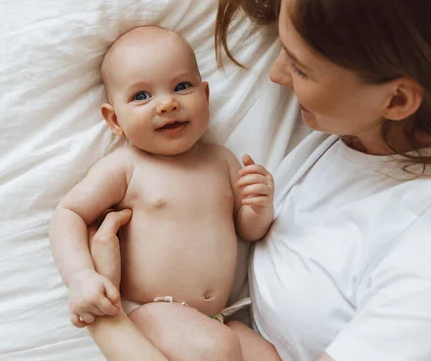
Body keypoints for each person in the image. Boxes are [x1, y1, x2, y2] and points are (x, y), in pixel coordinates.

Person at [84, 0, 431, 360]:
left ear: (396, 100)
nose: (276, 75)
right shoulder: (347, 136)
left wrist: (110, 321)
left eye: (301, 68)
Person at [49, 26, 280, 360]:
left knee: (266, 355)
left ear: (206, 95)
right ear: (115, 120)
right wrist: (81, 276)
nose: (168, 103)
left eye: (182, 86)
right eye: (142, 96)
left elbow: (248, 230)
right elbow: (68, 213)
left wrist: (259, 205)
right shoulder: (127, 166)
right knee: (216, 349)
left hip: (216, 317)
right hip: (152, 313)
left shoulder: (222, 160)